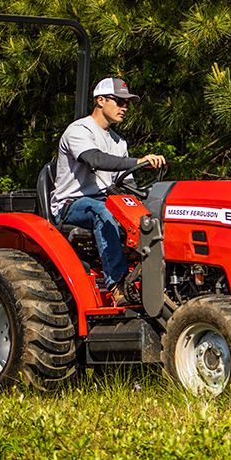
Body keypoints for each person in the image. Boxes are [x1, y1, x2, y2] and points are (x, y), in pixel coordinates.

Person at [50, 77, 165, 299]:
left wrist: (145, 202)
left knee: (148, 214)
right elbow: (95, 159)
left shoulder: (118, 142)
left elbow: (126, 182)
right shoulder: (79, 130)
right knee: (103, 212)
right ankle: (117, 283)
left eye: (127, 103)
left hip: (105, 200)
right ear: (100, 101)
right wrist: (138, 161)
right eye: (119, 101)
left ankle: (153, 278)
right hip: (71, 204)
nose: (124, 108)